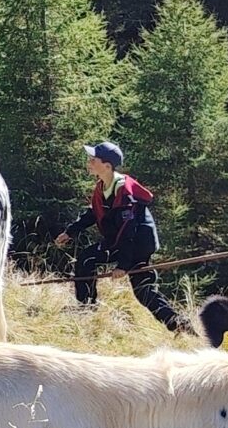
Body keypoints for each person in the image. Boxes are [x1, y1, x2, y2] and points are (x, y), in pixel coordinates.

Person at [52, 140, 183, 330]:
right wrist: (70, 232)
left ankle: (180, 326)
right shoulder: (103, 186)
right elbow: (93, 213)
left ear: (107, 166)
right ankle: (87, 307)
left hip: (137, 246)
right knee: (87, 260)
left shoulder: (123, 191)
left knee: (143, 292)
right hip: (120, 242)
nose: (89, 162)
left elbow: (128, 230)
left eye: (93, 159)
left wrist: (123, 265)